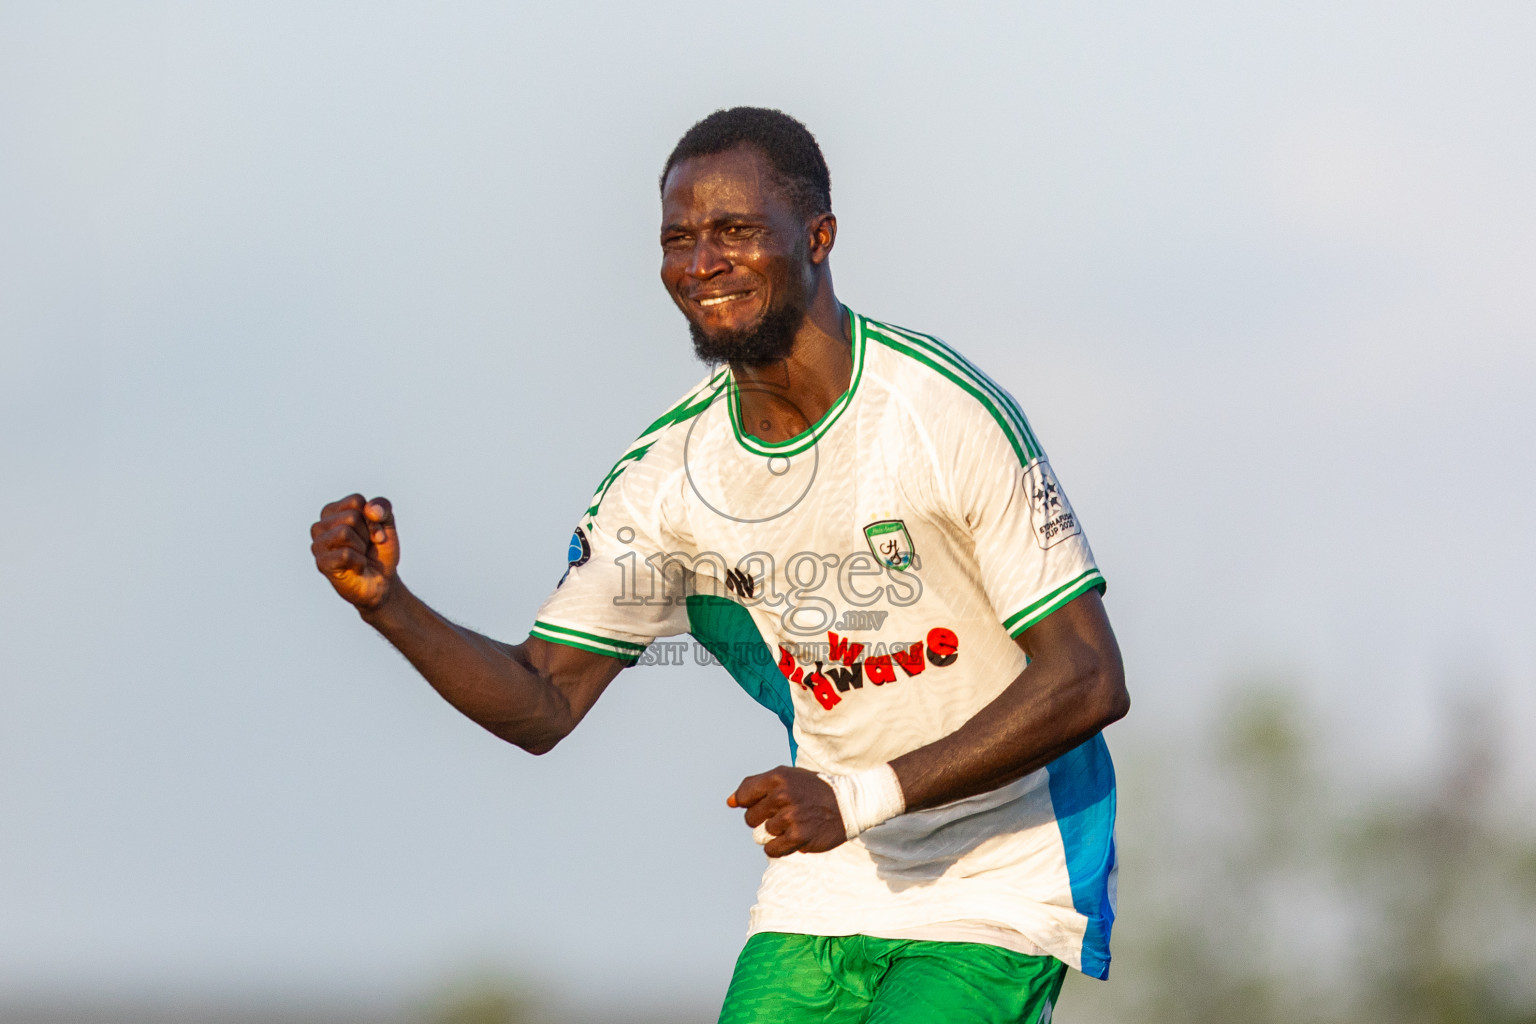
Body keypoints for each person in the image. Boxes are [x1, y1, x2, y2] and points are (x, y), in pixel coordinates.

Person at [310, 106, 1128, 1024]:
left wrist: (859, 797)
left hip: (1005, 875)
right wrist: (389, 606)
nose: (701, 264)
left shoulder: (942, 413)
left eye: (736, 232)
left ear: (818, 237)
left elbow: (1089, 679)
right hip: (831, 878)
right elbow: (541, 700)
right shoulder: (668, 480)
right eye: (678, 239)